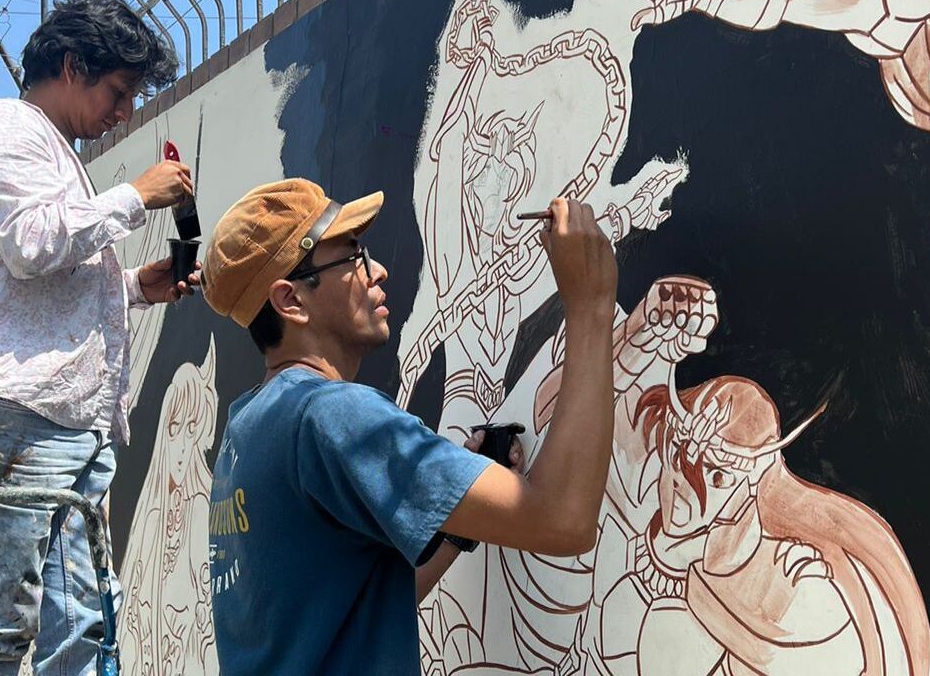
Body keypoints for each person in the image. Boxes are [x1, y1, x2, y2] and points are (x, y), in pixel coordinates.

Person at [201, 178, 618, 675]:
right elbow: (563, 520)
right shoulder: (332, 414)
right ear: (291, 301)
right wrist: (590, 302)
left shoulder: (248, 425)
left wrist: (457, 522)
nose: (377, 270)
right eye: (352, 256)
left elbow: (359, 599)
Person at [0, 0, 200, 675]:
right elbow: (30, 244)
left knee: (83, 631)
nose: (124, 113)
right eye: (118, 92)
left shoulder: (49, 149)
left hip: (59, 424)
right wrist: (136, 196)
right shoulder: (6, 126)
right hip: (16, 413)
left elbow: (33, 284)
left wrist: (132, 288)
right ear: (72, 68)